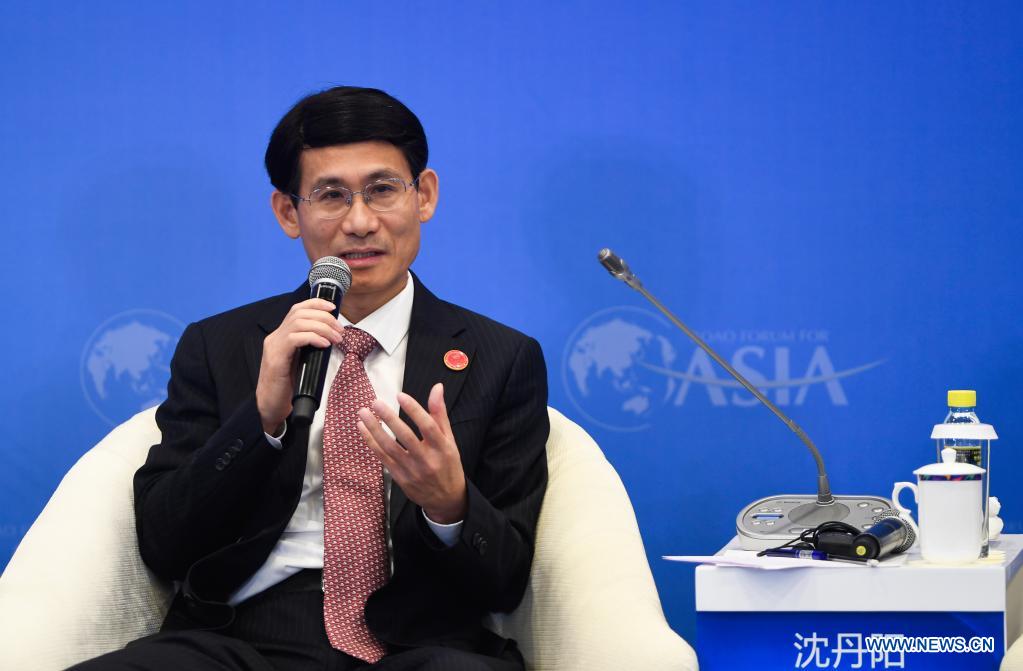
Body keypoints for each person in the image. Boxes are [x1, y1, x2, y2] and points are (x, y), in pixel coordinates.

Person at [72, 86, 549, 671]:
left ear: (424, 195)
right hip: (244, 638)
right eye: (330, 195)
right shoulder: (220, 346)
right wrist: (261, 421)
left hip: (421, 642)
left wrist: (450, 504)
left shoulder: (502, 358)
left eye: (382, 189)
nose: (360, 222)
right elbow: (164, 546)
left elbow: (507, 581)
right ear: (287, 212)